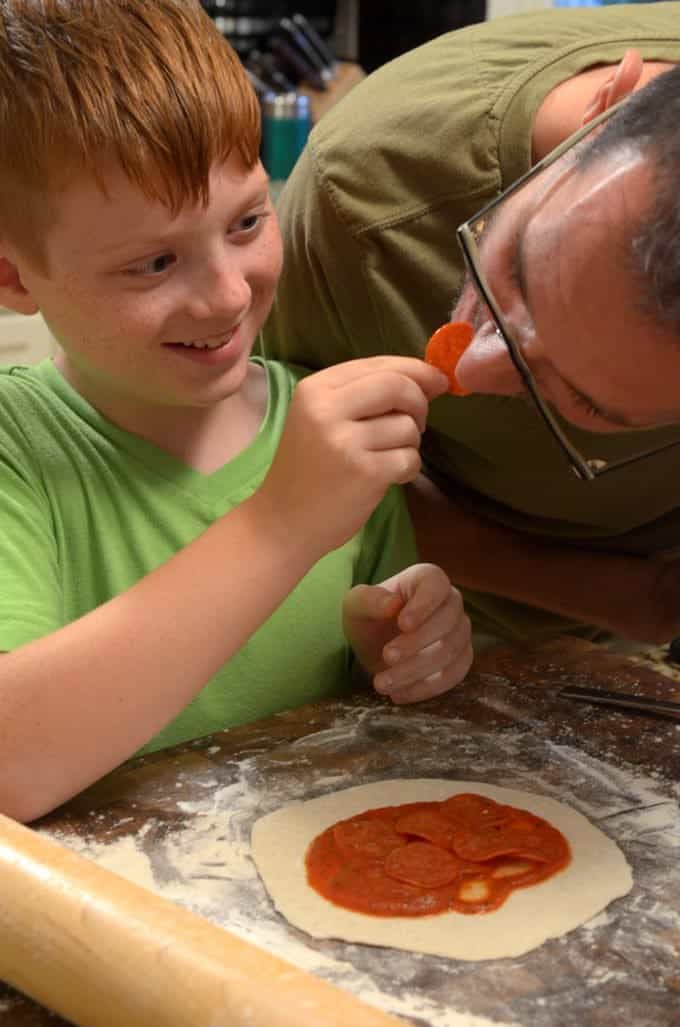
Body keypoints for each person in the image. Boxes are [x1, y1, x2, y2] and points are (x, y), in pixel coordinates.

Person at [0, 0, 473, 825]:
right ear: (13, 281)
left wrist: (400, 640)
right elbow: (10, 764)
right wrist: (279, 526)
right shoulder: (17, 449)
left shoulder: (327, 432)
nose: (227, 293)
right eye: (153, 262)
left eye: (249, 220)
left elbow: (369, 688)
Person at [263, 3, 680, 647]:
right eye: (512, 268)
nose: (466, 368)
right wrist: (628, 599)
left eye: (578, 398)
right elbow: (273, 469)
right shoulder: (366, 195)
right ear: (610, 106)